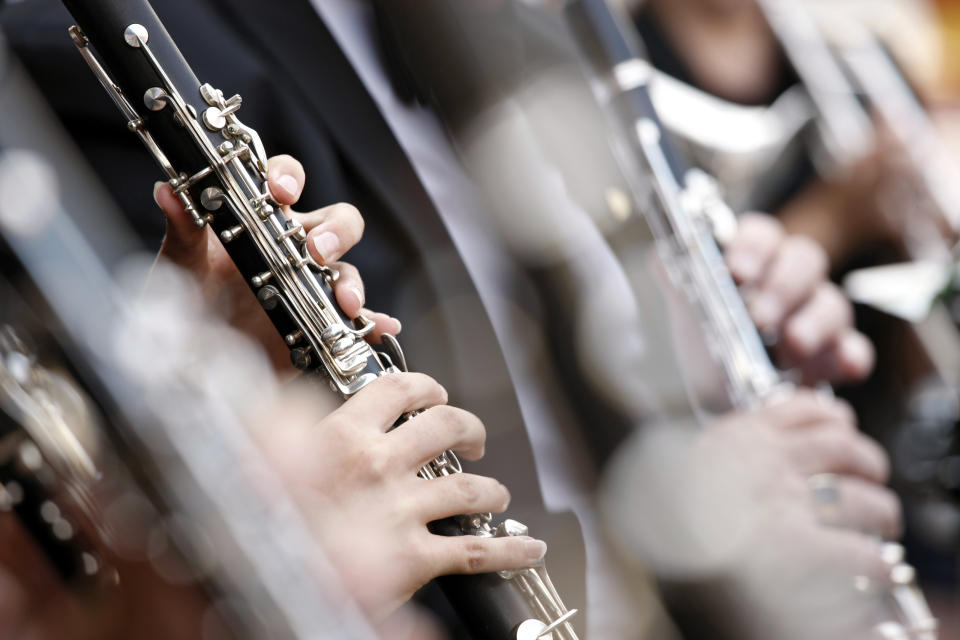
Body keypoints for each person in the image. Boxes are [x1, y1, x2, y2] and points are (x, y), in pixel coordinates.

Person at [0, 0, 902, 637]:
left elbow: (589, 353)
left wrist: (729, 331)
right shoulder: (84, 46)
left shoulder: (535, 26)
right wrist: (695, 521)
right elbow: (173, 550)